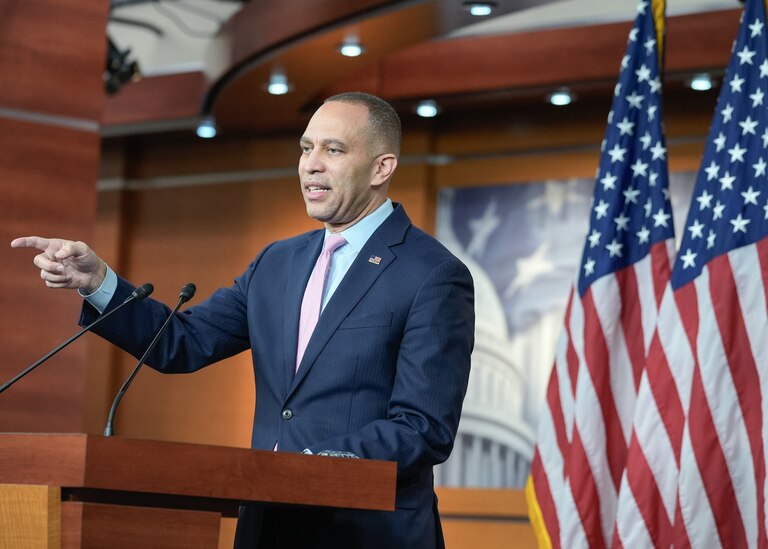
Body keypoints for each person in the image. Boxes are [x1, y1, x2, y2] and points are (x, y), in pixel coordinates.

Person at [12, 92, 475, 548]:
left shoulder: (431, 274)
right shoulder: (278, 262)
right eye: (306, 148)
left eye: (333, 150)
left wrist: (315, 466)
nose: (311, 164)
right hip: (266, 526)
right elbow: (183, 342)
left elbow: (423, 426)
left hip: (368, 531)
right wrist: (98, 283)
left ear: (382, 168)